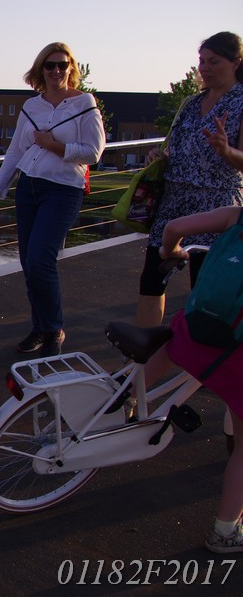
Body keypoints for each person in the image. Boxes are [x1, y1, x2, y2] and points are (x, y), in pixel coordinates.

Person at [0, 42, 106, 356]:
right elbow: (15, 151)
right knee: (29, 261)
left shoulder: (84, 104)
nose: (56, 71)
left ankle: (54, 329)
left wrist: (55, 146)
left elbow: (93, 152)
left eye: (62, 65)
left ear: (71, 68)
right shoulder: (31, 106)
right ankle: (40, 327)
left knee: (41, 259)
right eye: (50, 65)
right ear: (41, 70)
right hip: (29, 187)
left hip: (63, 189)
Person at [145, 205, 243, 553]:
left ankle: (124, 397)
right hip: (234, 354)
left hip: (194, 334)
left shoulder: (237, 215)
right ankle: (224, 532)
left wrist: (170, 251)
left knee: (174, 336)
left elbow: (173, 226)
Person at [136, 31, 243, 327]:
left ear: (236, 63)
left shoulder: (241, 102)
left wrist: (227, 151)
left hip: (215, 205)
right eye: (201, 61)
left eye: (214, 62)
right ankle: (142, 350)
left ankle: (198, 352)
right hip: (173, 201)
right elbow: (180, 146)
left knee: (204, 285)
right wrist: (161, 155)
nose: (205, 68)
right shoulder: (191, 102)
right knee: (152, 280)